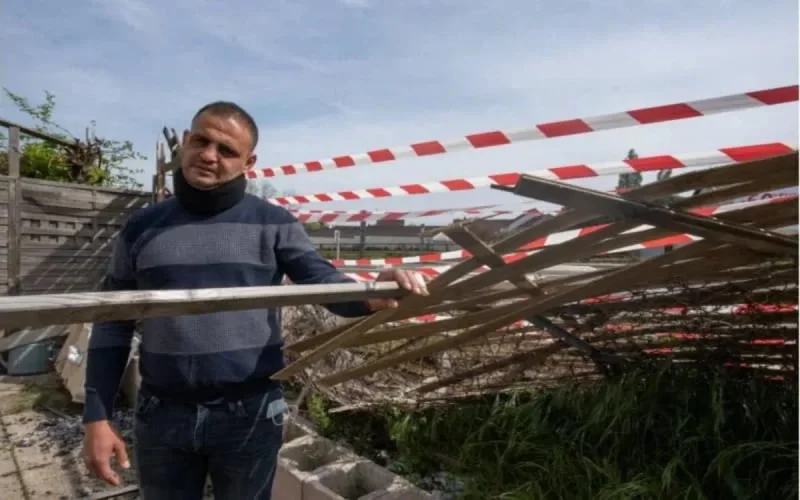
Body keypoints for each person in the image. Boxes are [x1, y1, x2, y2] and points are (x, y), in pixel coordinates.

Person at [81, 101, 429, 500]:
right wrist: (97, 415)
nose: (210, 155)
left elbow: (324, 283)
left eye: (227, 150)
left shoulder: (274, 224)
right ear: (186, 141)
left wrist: (374, 291)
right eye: (202, 140)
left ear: (249, 161)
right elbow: (112, 322)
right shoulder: (142, 227)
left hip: (248, 413)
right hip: (162, 415)